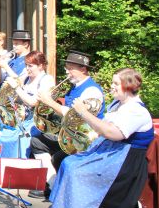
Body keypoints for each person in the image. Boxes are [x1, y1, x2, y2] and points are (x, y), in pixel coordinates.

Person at [49, 68, 154, 208]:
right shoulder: (118, 104)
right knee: (67, 161)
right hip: (113, 153)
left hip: (125, 163)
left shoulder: (137, 111)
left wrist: (84, 112)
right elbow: (104, 127)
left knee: (75, 169)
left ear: (127, 87)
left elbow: (113, 133)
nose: (111, 87)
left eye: (115, 84)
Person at [29, 50, 105, 197]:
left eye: (71, 69)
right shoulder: (74, 87)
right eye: (67, 68)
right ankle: (53, 184)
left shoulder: (91, 90)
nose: (67, 72)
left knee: (58, 157)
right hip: (70, 134)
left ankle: (57, 190)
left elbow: (75, 117)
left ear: (83, 69)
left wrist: (49, 102)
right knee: (37, 141)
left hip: (84, 138)